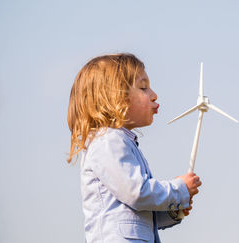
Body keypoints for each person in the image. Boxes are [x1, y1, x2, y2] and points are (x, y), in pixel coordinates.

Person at [67, 53, 202, 243]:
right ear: (115, 97)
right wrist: (177, 189)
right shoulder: (107, 141)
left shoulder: (120, 141)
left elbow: (138, 212)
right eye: (143, 87)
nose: (154, 94)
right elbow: (137, 193)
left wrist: (172, 211)